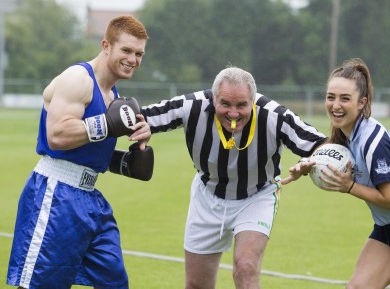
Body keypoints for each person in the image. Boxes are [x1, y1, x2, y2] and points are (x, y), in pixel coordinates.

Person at [141, 66, 327, 289]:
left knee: (246, 267)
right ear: (213, 98)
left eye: (242, 105)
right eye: (225, 104)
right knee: (196, 284)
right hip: (207, 195)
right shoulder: (192, 106)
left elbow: (322, 145)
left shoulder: (274, 116)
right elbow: (139, 116)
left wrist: (307, 163)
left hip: (256, 195)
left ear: (253, 101)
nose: (233, 113)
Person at [7, 15, 153, 289]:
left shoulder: (113, 95)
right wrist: (108, 125)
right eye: (126, 50)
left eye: (139, 53)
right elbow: (58, 136)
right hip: (55, 194)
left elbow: (89, 149)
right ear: (106, 45)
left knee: (115, 282)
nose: (133, 59)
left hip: (90, 200)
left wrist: (130, 160)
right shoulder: (78, 79)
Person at [286, 58, 390, 288]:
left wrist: (349, 187)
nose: (336, 105)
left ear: (361, 102)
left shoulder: (371, 141)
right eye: (331, 97)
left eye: (345, 98)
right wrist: (307, 164)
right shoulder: (347, 134)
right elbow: (332, 154)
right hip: (389, 226)